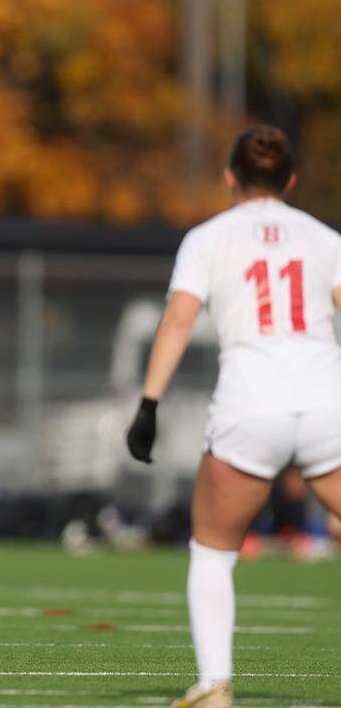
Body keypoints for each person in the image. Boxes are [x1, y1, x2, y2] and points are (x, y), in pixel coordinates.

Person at [126, 125, 341, 708]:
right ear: (290, 180)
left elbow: (177, 322)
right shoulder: (325, 238)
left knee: (213, 551)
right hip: (327, 401)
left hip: (252, 404)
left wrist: (148, 404)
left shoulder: (208, 237)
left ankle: (215, 685)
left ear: (229, 178)